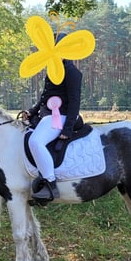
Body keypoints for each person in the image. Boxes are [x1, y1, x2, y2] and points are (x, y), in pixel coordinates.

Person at [24, 47, 83, 201]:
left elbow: (75, 101)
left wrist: (67, 128)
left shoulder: (72, 73)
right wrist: (32, 111)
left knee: (35, 141)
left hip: (63, 116)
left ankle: (50, 183)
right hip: (48, 116)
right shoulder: (52, 69)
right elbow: (46, 96)